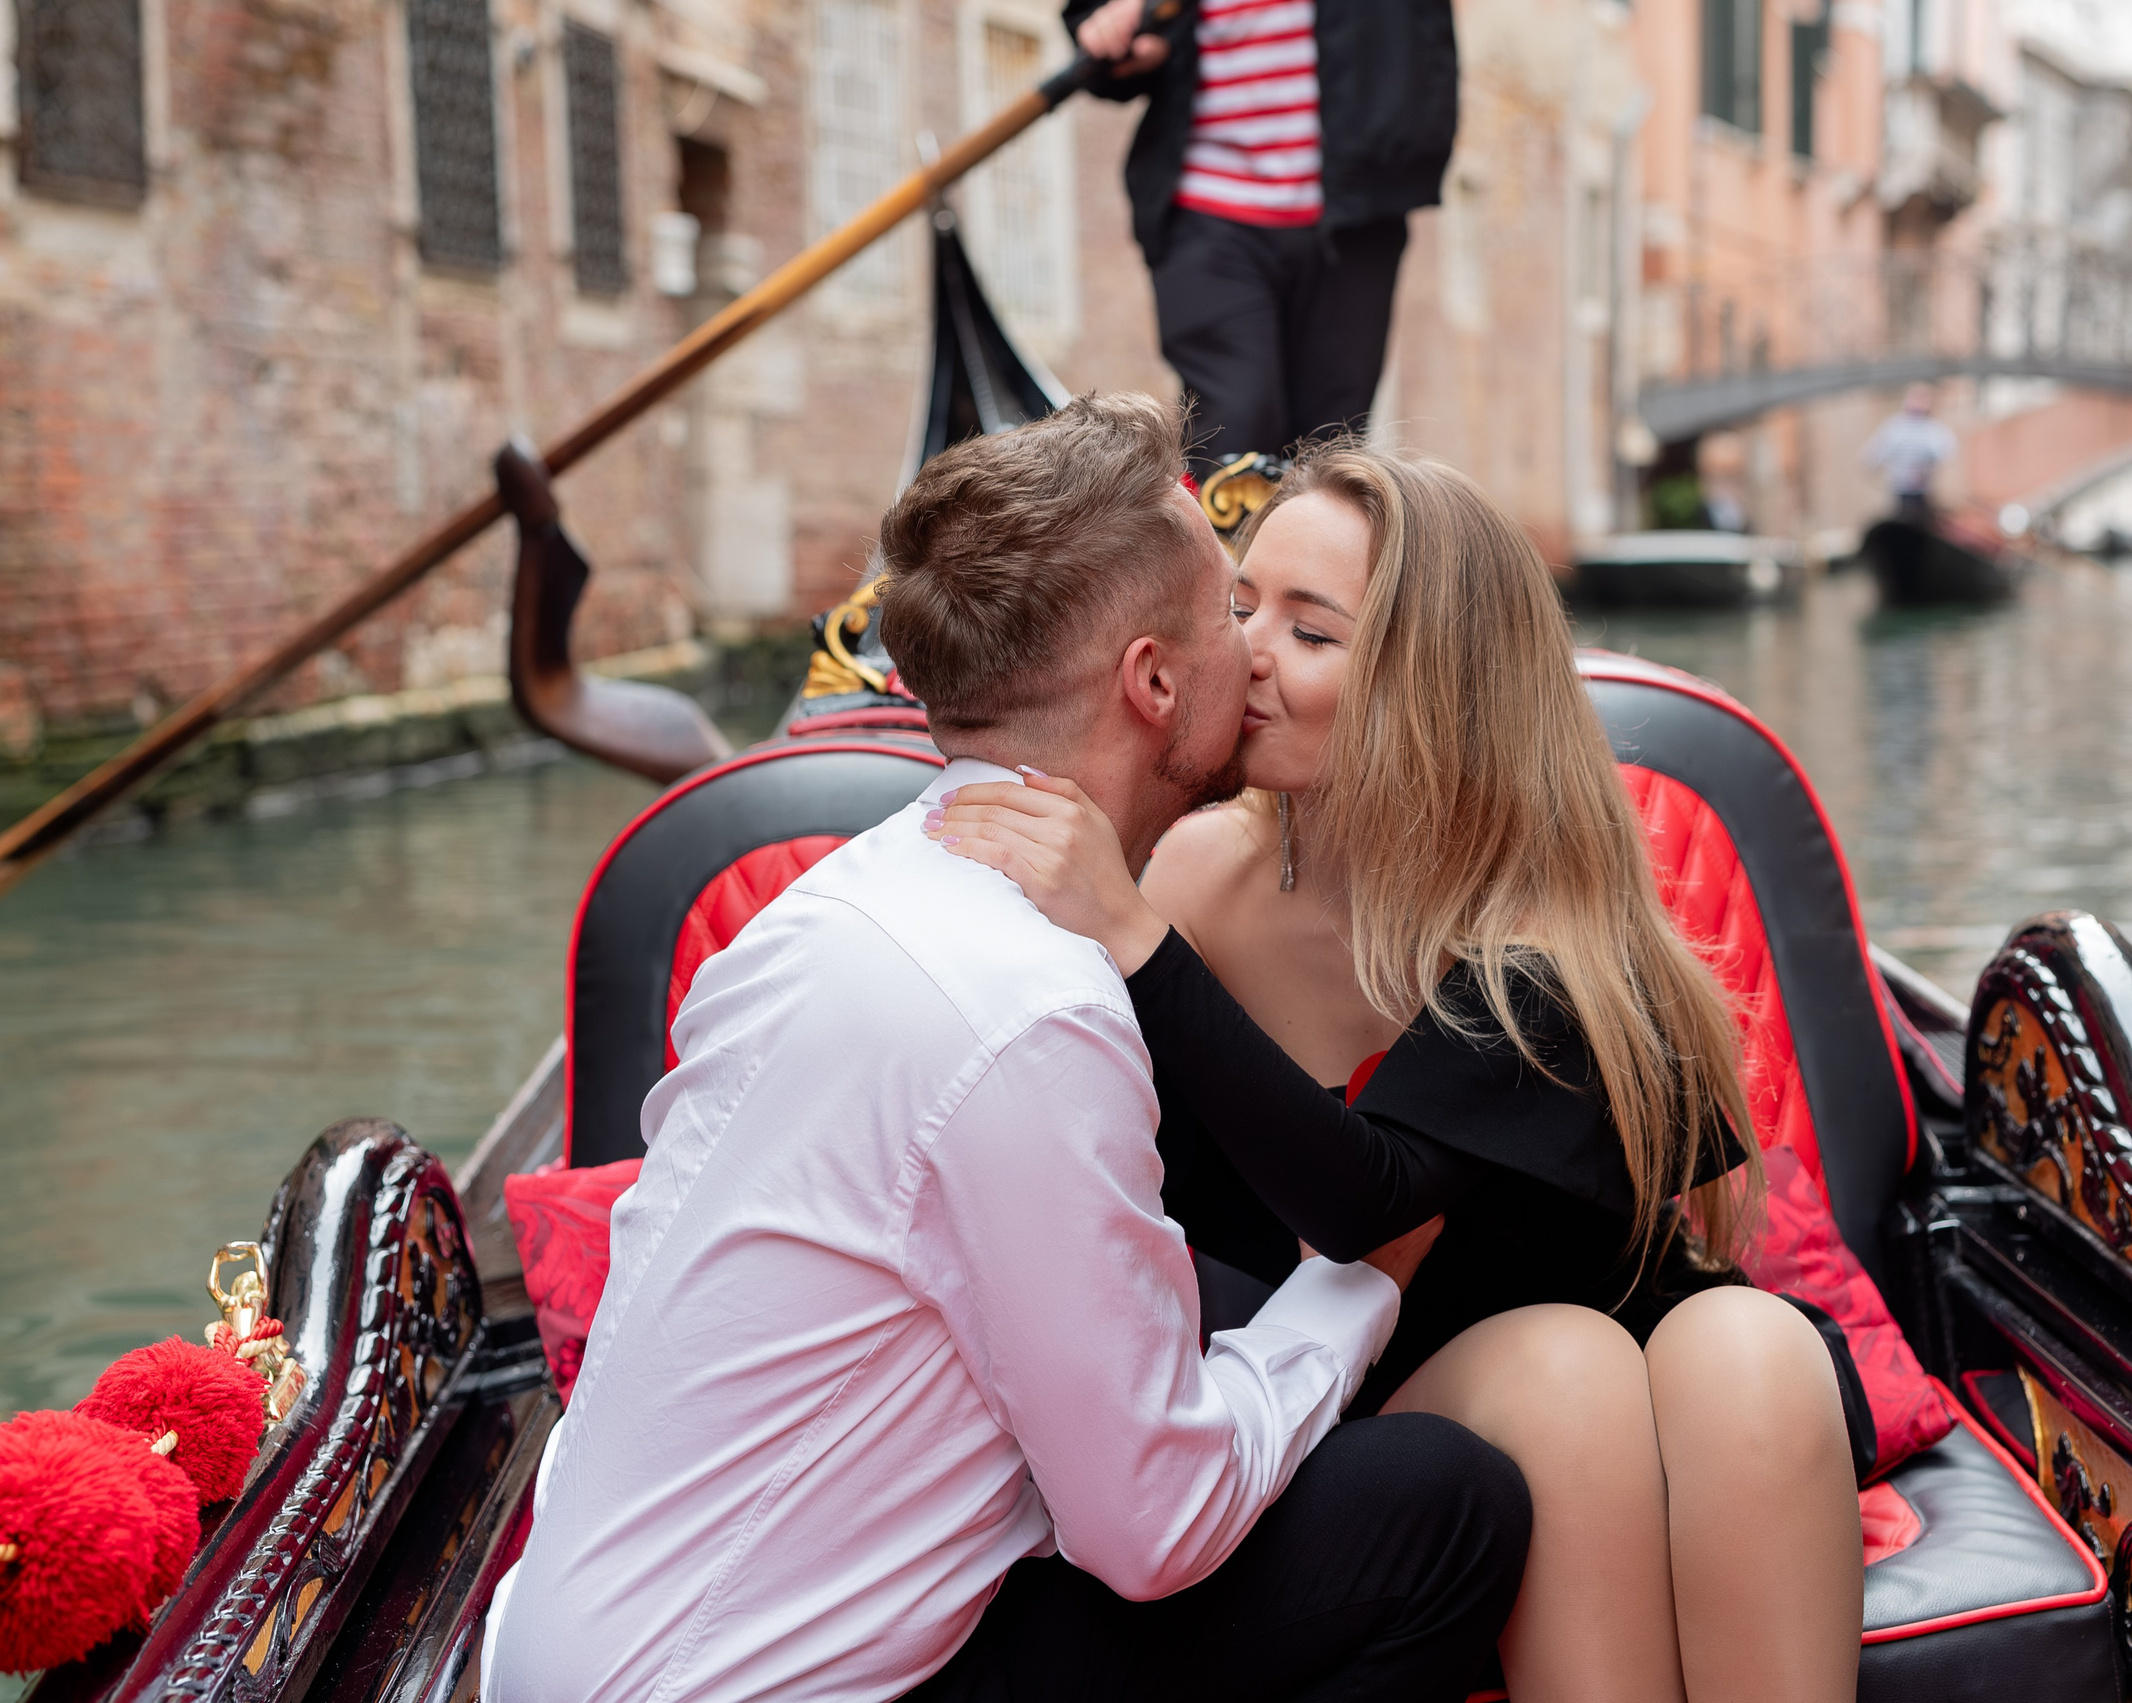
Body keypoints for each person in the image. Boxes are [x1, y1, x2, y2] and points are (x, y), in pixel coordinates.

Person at [481, 396, 1532, 1703]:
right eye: (1230, 615)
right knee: (1445, 1503)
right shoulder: (1033, 1006)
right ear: (1153, 680)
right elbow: (1155, 1526)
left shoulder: (831, 902)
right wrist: (1353, 1285)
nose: (1254, 654)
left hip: (571, 1647)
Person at [929, 442, 1865, 1703]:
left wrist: (1135, 939)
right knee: (1561, 1369)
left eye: (1310, 633)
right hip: (1372, 1399)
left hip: (1644, 1379)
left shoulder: (1546, 941)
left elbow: (1364, 1199)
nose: (1247, 652)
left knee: (1742, 1342)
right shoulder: (1190, 875)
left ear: (1439, 687)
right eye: (1238, 605)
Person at [1065, 0, 1458, 475]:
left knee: (1329, 448)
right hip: (1208, 205)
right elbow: (1100, 34)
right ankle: (1217, 547)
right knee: (1234, 425)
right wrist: (1121, 27)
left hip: (1357, 209)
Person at [1862, 383, 1958, 522]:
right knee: (1903, 523)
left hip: (1924, 491)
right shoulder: (1896, 427)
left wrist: (1927, 465)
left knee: (1923, 523)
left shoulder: (1933, 429)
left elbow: (1946, 452)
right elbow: (1874, 455)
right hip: (1900, 488)